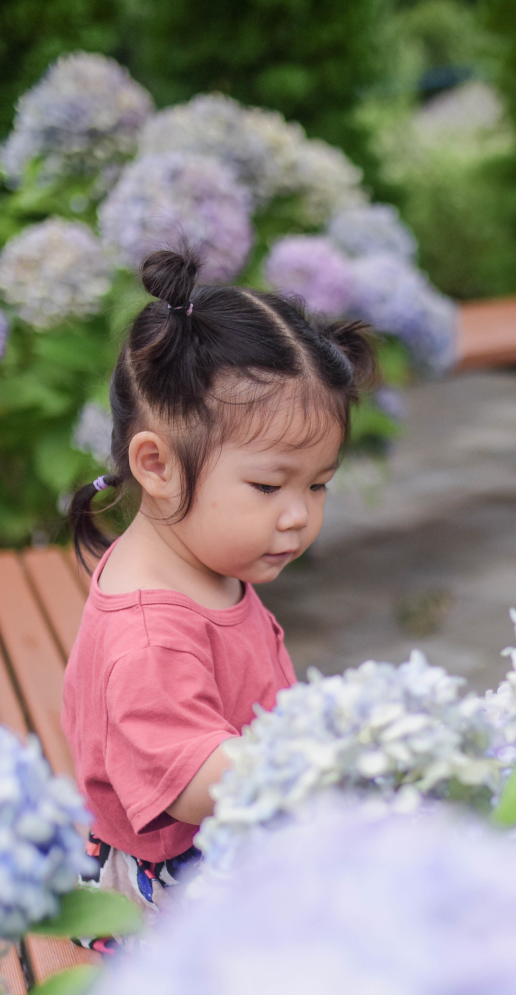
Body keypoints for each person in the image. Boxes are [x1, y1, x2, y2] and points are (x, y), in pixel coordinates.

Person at [61, 245, 375, 913]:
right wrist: (328, 755)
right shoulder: (151, 633)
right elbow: (190, 778)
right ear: (157, 464)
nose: (299, 516)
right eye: (268, 485)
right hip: (172, 886)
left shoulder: (196, 559)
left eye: (318, 484)